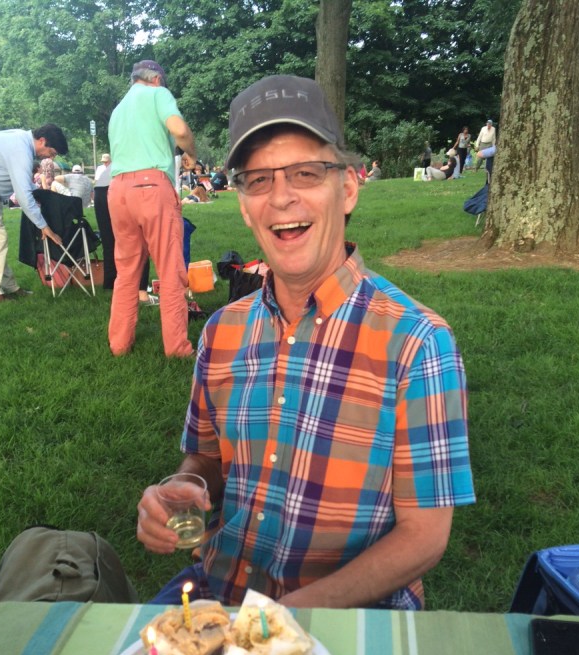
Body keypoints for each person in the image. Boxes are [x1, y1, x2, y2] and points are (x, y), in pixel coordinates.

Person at [136, 74, 475, 610]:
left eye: (306, 173)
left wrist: (279, 620)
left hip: (358, 613)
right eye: (258, 180)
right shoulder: (222, 332)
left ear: (347, 189)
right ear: (244, 205)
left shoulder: (417, 343)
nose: (282, 197)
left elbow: (424, 536)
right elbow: (202, 463)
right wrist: (180, 492)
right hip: (219, 593)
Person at [107, 59, 196, 356]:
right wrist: (191, 154)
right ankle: (177, 348)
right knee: (171, 269)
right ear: (157, 79)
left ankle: (119, 344)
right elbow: (180, 130)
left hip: (117, 189)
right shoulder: (158, 94)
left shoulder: (117, 110)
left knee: (127, 270)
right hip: (152, 186)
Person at [0, 123, 68, 301]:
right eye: (53, 152)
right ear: (42, 141)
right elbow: (23, 195)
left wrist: (43, 197)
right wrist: (43, 226)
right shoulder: (21, 149)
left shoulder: (20, 141)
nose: (51, 157)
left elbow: (27, 186)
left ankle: (9, 287)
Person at [93, 152, 153, 302]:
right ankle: (141, 291)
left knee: (109, 240)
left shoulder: (120, 156)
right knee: (140, 239)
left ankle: (110, 284)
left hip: (101, 190)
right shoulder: (145, 155)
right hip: (121, 187)